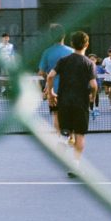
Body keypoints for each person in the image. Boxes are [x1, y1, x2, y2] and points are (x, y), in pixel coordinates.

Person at [46, 31, 98, 178]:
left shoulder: (63, 60)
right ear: (87, 45)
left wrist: (51, 93)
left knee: (67, 129)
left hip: (64, 102)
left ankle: (63, 140)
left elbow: (50, 76)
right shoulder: (89, 63)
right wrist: (92, 97)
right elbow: (93, 85)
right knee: (80, 135)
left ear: (71, 44)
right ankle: (75, 166)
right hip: (81, 103)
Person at [38, 24, 74, 135]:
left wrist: (48, 80)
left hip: (53, 89)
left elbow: (41, 72)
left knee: (56, 114)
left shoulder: (47, 52)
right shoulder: (72, 52)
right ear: (64, 35)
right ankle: (71, 137)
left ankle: (59, 138)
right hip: (70, 89)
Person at [88, 54, 103, 119]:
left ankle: (96, 108)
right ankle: (91, 109)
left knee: (95, 96)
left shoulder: (99, 67)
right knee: (90, 97)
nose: (92, 60)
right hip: (88, 85)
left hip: (97, 85)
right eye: (90, 59)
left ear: (96, 60)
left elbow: (106, 73)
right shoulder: (87, 67)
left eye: (93, 59)